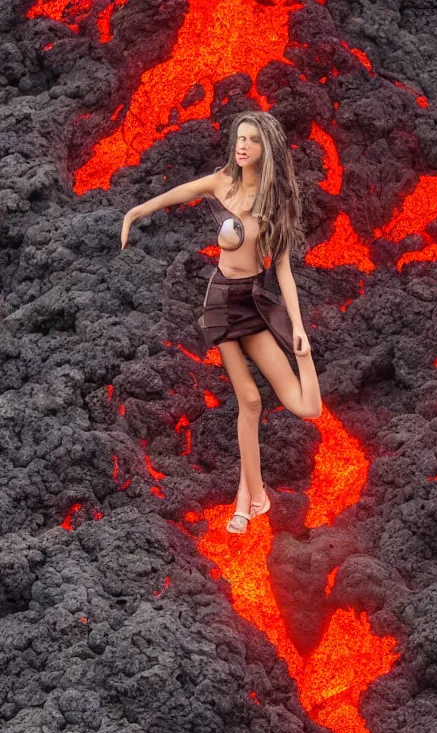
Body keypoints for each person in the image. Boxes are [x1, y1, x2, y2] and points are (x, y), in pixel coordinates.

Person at [119, 111, 322, 534]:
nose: (242, 145)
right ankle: (250, 498)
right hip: (220, 303)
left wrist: (299, 332)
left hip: (254, 304)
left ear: (266, 149)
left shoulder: (273, 203)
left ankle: (247, 499)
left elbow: (282, 269)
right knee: (249, 401)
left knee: (306, 407)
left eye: (251, 140)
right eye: (239, 138)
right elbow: (179, 194)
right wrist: (135, 212)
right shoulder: (221, 182)